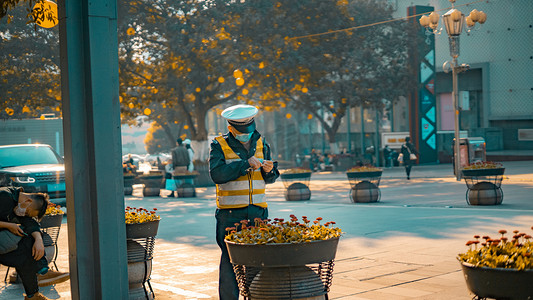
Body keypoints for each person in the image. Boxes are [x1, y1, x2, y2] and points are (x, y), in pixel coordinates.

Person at [209, 104, 280, 300]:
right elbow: (216, 174)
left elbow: (271, 178)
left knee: (258, 262)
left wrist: (269, 171)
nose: (246, 135)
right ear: (231, 128)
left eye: (248, 131)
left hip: (257, 212)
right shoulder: (219, 145)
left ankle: (256, 296)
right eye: (241, 132)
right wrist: (244, 164)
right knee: (230, 263)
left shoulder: (262, 142)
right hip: (230, 215)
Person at [0, 187, 70, 300]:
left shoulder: (17, 201)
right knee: (25, 249)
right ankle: (40, 273)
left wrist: (39, 241)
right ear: (28, 201)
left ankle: (34, 292)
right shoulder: (4, 197)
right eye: (27, 212)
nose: (24, 214)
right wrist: (8, 225)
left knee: (29, 242)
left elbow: (30, 222)